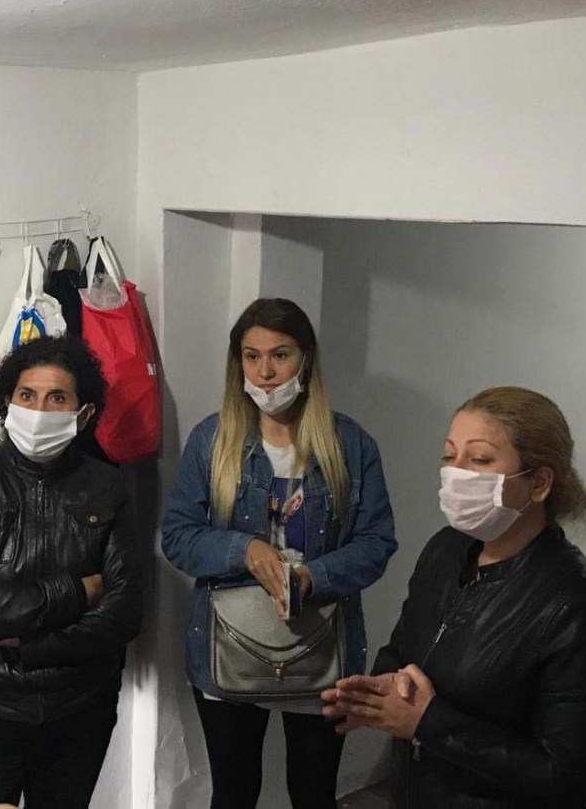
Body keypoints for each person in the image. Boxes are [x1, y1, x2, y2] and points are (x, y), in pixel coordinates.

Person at [322, 386, 586, 808]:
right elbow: (406, 645)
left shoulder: (580, 611)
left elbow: (566, 781)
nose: (456, 475)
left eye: (480, 460)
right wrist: (383, 688)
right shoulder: (446, 550)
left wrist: (429, 722)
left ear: (539, 483)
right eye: (449, 457)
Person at [161, 297, 397, 809]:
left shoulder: (350, 444)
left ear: (306, 359)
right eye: (252, 357)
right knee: (234, 792)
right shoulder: (212, 441)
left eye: (280, 355)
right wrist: (243, 549)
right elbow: (177, 535)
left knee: (313, 793)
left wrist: (314, 575)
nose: (265, 373)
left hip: (321, 647)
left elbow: (376, 543)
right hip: (227, 647)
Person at [0, 335, 143, 809]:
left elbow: (125, 613)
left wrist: (25, 642)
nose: (39, 410)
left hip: (80, 708)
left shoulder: (107, 486)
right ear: (6, 403)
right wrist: (80, 591)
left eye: (57, 398)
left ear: (83, 415)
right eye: (26, 395)